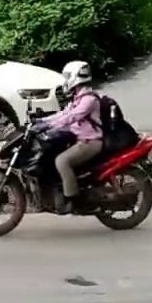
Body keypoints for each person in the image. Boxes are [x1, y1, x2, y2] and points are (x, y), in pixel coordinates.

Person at [36, 60, 104, 215]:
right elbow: (63, 114)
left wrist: (50, 126)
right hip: (80, 140)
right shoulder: (78, 97)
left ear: (75, 76)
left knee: (62, 161)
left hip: (90, 142)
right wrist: (42, 121)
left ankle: (75, 201)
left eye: (67, 76)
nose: (65, 80)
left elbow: (72, 117)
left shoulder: (88, 99)